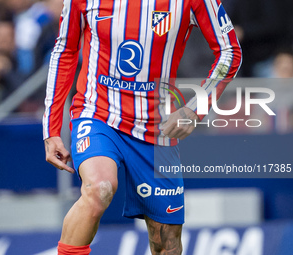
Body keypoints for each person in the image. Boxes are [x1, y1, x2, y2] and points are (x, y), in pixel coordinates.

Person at [43, 0, 242, 254]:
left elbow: (230, 52)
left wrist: (195, 109)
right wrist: (51, 128)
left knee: (166, 244)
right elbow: (65, 50)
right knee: (99, 189)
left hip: (157, 128)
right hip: (97, 113)